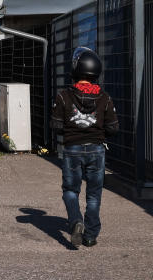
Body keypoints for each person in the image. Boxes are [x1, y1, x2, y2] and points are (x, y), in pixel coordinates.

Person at [50, 47, 118, 249]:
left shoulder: (64, 96)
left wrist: (72, 130)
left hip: (72, 149)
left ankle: (75, 221)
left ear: (75, 69)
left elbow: (55, 125)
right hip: (97, 150)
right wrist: (98, 133)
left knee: (70, 190)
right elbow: (114, 128)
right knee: (94, 194)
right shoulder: (105, 98)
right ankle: (90, 235)